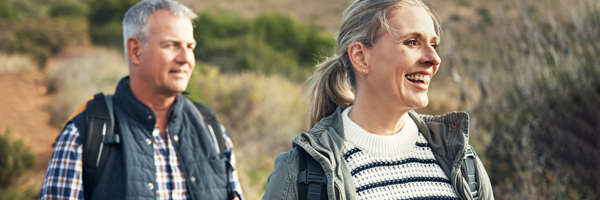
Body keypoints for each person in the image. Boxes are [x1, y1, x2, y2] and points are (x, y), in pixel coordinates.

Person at [262, 0, 493, 199]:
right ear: (361, 57)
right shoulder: (297, 173)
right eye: (412, 42)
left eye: (434, 44)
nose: (434, 58)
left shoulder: (462, 161)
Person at [39, 0, 244, 199]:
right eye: (172, 45)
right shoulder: (83, 135)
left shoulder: (212, 130)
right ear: (135, 51)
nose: (185, 59)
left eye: (190, 47)